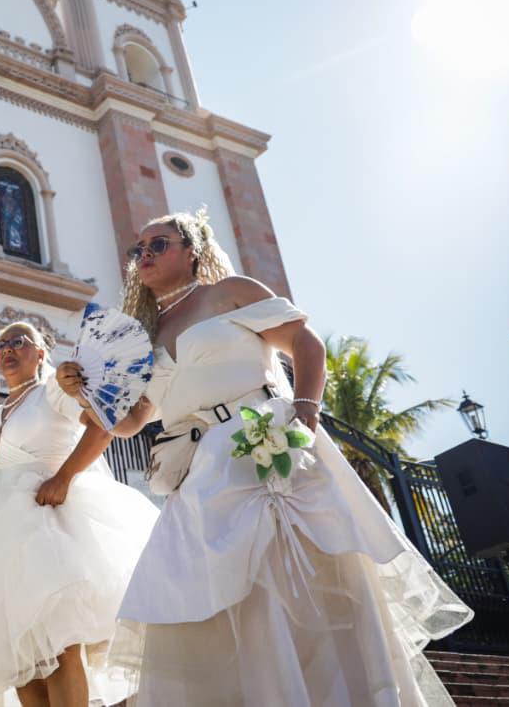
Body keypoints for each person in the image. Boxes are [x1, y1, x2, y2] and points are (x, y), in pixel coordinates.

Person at [104, 210, 473, 706]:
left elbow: (304, 341)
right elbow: (132, 422)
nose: (143, 255)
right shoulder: (142, 338)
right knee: (220, 605)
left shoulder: (229, 291)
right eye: (137, 250)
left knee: (294, 587)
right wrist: (90, 396)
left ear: (191, 250)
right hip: (199, 478)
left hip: (263, 448)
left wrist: (305, 410)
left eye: (158, 244)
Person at [0, 322, 159, 707]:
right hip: (4, 540)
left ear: (41, 353)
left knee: (59, 644)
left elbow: (103, 427)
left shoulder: (55, 391)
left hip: (49, 528)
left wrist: (64, 477)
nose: (6, 350)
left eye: (18, 341)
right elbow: (4, 482)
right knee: (18, 658)